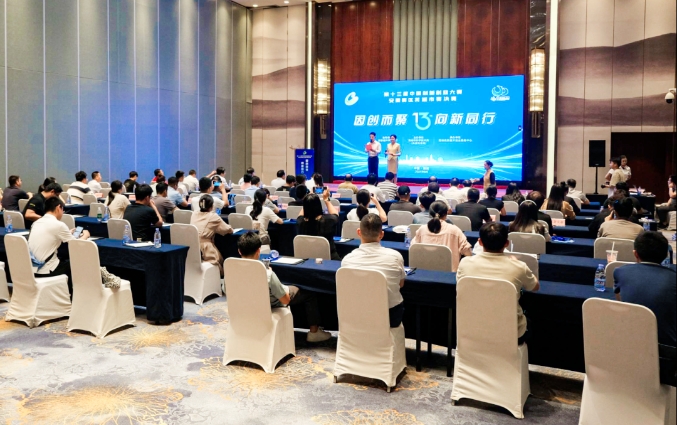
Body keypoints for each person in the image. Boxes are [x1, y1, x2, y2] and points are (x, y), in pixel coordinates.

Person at [237, 231, 331, 342]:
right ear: (258, 250)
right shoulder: (268, 274)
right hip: (272, 304)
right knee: (308, 291)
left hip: (245, 307)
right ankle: (314, 332)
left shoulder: (231, 272)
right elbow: (285, 300)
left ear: (239, 251)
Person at [457, 222, 540, 343]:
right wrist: (517, 263)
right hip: (511, 332)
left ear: (480, 242)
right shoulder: (519, 267)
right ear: (507, 243)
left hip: (471, 328)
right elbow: (535, 287)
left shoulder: (465, 263)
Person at [613, 231, 675, 385]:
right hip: (668, 355)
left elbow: (621, 302)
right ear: (666, 255)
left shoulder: (620, 271)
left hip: (627, 347)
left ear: (635, 254)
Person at [341, 214, 406, 328]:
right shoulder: (395, 257)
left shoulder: (347, 260)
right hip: (390, 316)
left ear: (358, 232)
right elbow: (401, 284)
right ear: (382, 234)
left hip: (356, 314)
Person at [27, 197, 90, 294]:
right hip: (46, 270)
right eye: (63, 210)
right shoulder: (58, 225)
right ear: (58, 207)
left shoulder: (36, 223)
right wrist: (86, 235)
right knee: (77, 262)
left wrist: (67, 233)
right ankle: (73, 295)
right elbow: (76, 245)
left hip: (33, 270)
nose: (63, 213)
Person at [411, 201, 473, 272]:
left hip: (425, 273)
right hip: (450, 275)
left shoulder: (422, 229)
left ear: (430, 214)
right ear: (446, 214)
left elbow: (413, 247)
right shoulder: (455, 230)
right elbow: (467, 253)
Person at [191, 195, 233, 277]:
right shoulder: (213, 216)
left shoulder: (194, 214)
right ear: (212, 206)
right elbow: (227, 230)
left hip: (193, 247)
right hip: (205, 249)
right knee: (220, 261)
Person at [297, 191, 341, 260]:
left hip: (307, 259)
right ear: (319, 205)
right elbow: (335, 214)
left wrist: (307, 201)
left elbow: (300, 214)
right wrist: (326, 199)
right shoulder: (329, 220)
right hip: (329, 258)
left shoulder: (300, 222)